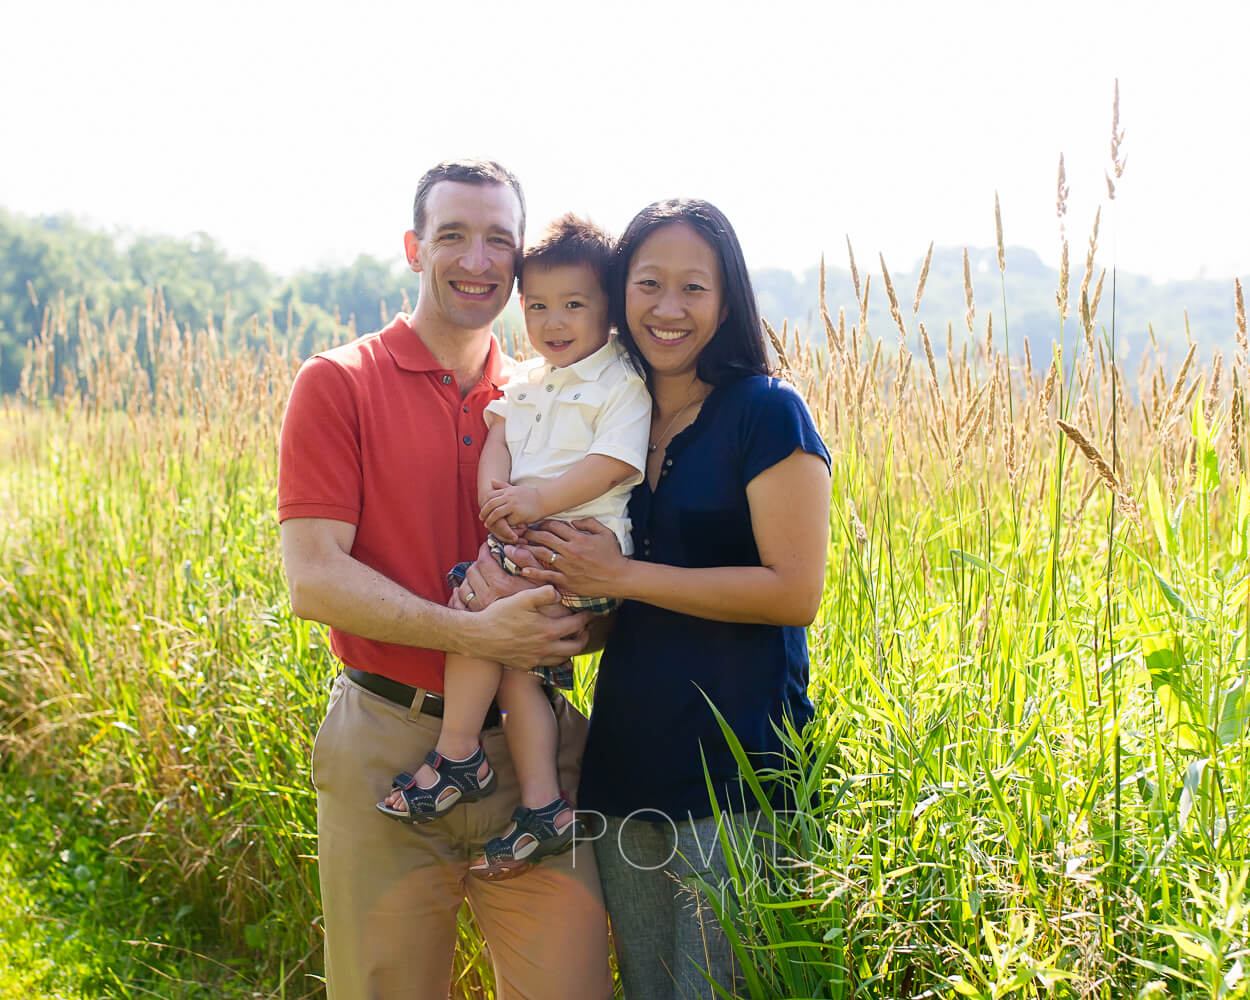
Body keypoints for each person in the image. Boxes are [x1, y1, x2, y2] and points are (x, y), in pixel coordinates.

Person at [277, 159, 613, 1000]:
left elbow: (602, 564)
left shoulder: (554, 389)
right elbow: (314, 580)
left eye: (499, 239)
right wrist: (471, 635)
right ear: (412, 247)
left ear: (520, 263)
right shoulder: (338, 383)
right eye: (453, 235)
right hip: (389, 745)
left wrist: (585, 620)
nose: (477, 259)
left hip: (536, 749)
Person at [506, 199, 832, 998]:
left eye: (695, 287)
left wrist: (619, 577)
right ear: (620, 296)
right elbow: (613, 603)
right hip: (626, 769)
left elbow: (795, 592)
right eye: (648, 284)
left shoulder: (766, 412)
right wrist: (541, 616)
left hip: (739, 778)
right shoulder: (617, 414)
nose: (669, 308)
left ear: (728, 301)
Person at [376, 215, 651, 881]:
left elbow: (613, 464)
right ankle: (542, 805)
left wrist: (535, 501)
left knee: (473, 613)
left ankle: (458, 750)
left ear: (609, 310)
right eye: (537, 307)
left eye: (574, 306)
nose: (553, 322)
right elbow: (497, 437)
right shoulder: (526, 381)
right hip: (525, 537)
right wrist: (494, 492)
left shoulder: (621, 381)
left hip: (573, 545)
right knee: (517, 670)